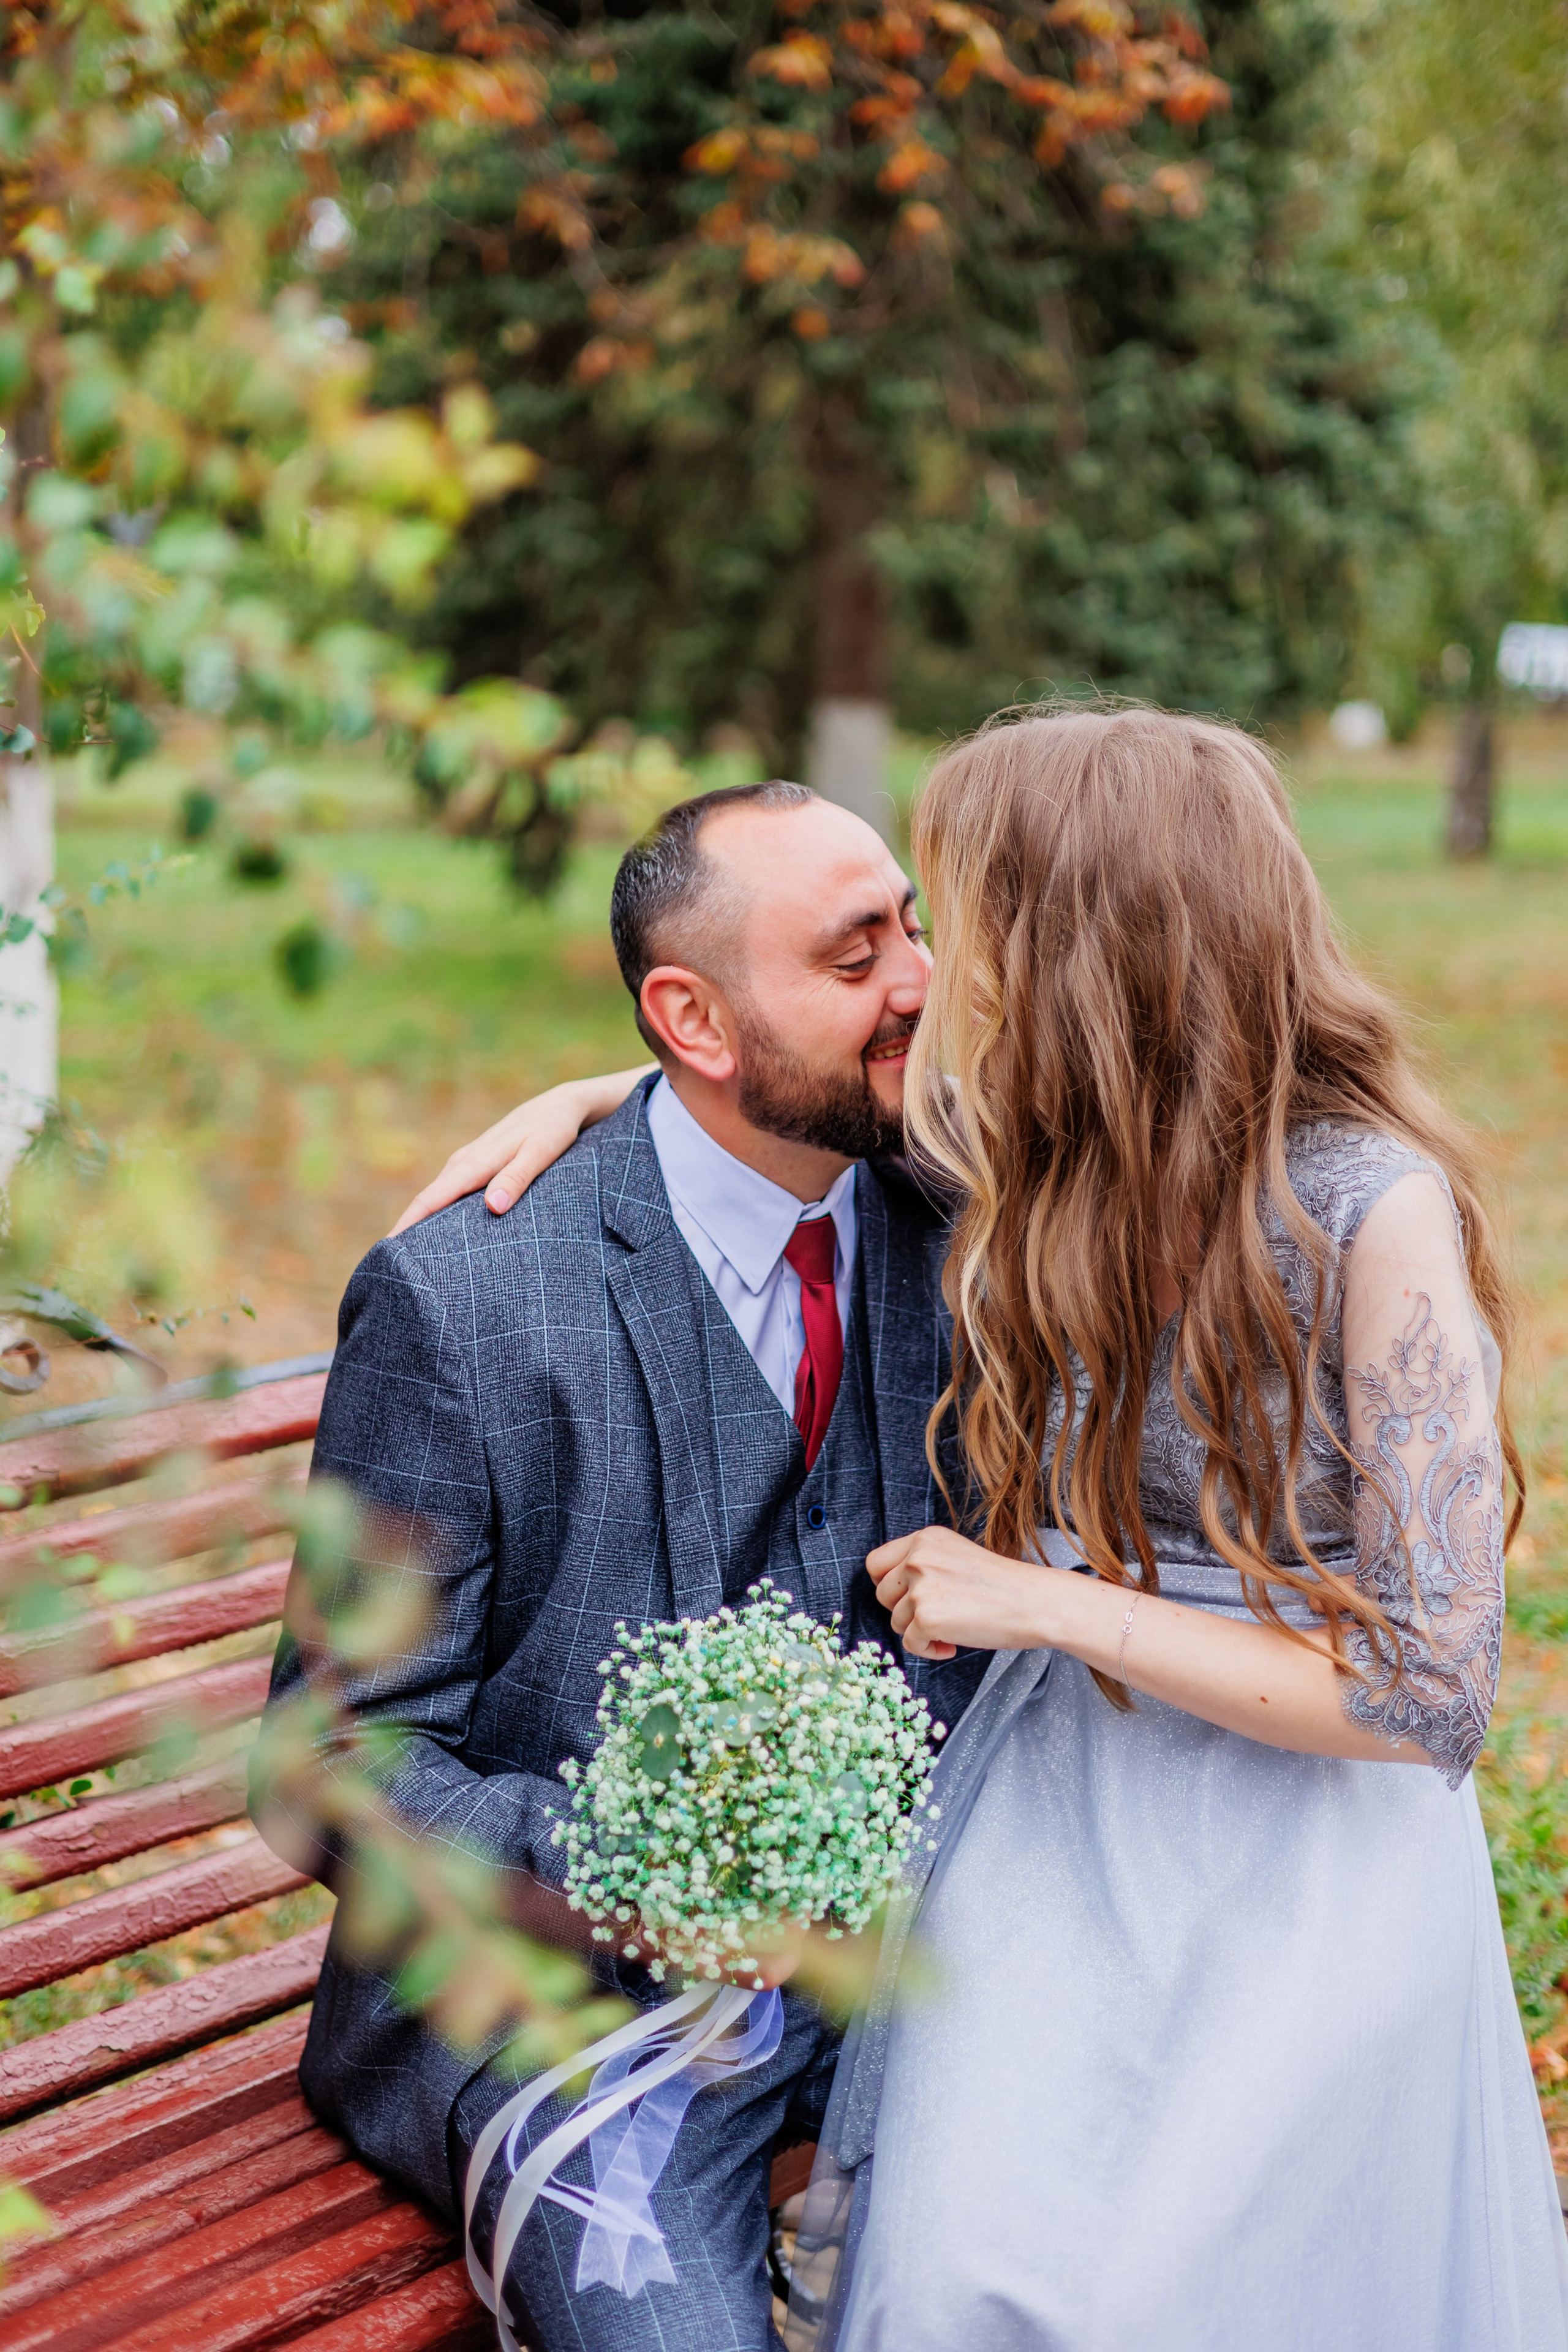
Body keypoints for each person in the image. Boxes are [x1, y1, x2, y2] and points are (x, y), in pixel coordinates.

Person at [413, 707, 1568, 2352]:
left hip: (1308, 1841)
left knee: (1199, 2286)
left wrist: (1048, 1601)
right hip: (1055, 1806)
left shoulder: (1371, 1215)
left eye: (959, 915)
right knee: (974, 2282)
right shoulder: (1038, 1161)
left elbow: (1434, 1692)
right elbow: (789, 1114)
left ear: (1090, 944)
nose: (927, 966)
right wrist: (624, 1086)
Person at [255, 778, 984, 2352]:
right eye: (855, 956)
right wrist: (652, 1875)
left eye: (911, 928)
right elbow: (323, 1766)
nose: (919, 980)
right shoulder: (469, 1303)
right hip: (557, 2012)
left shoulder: (963, 1215)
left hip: (917, 1970)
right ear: (692, 1020)